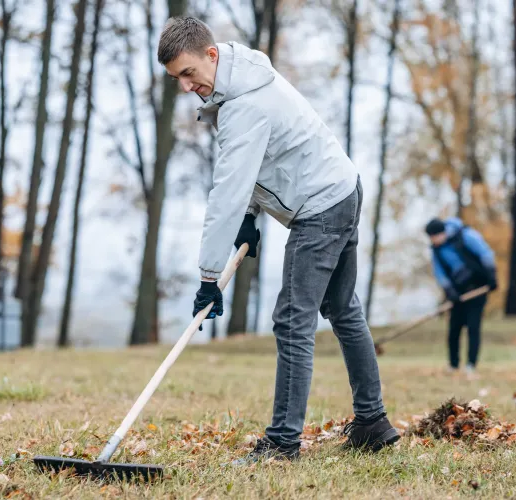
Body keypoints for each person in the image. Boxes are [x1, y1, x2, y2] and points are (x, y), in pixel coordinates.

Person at [157, 17, 399, 464]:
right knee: (343, 309)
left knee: (292, 321)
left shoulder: (243, 106)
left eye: (188, 73)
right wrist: (250, 219)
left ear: (211, 54)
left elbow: (226, 192)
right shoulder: (244, 75)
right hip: (343, 188)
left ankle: (283, 443)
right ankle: (373, 422)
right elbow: (261, 162)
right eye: (177, 79)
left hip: (320, 208)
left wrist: (208, 276)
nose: (186, 86)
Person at [425, 217, 498, 375]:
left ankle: (471, 365)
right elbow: (439, 273)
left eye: (434, 237)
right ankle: (453, 365)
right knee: (454, 328)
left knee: (473, 326)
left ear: (441, 233)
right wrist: (449, 290)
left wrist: (492, 274)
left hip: (478, 286)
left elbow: (485, 253)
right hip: (458, 291)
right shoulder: (436, 250)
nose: (433, 240)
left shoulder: (465, 235)